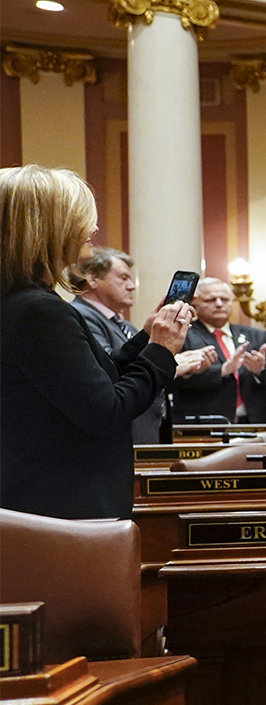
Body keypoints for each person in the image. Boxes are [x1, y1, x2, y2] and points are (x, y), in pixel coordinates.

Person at [1, 165, 183, 518]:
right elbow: (106, 410)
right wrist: (161, 351)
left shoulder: (20, 303)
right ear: (48, 227)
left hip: (34, 497)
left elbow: (93, 378)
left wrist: (147, 336)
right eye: (82, 217)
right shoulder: (40, 311)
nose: (94, 229)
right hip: (64, 506)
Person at [71, 244, 205, 441]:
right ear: (92, 279)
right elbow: (107, 368)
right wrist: (164, 356)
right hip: (121, 431)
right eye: (123, 277)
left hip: (146, 429)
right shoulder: (81, 315)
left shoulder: (125, 325)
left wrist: (175, 368)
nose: (132, 286)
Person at [169, 276, 266, 424]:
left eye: (224, 299)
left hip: (254, 423)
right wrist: (222, 370)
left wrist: (261, 370)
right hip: (204, 425)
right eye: (211, 300)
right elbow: (170, 382)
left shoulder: (255, 335)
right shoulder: (183, 335)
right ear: (195, 304)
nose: (219, 304)